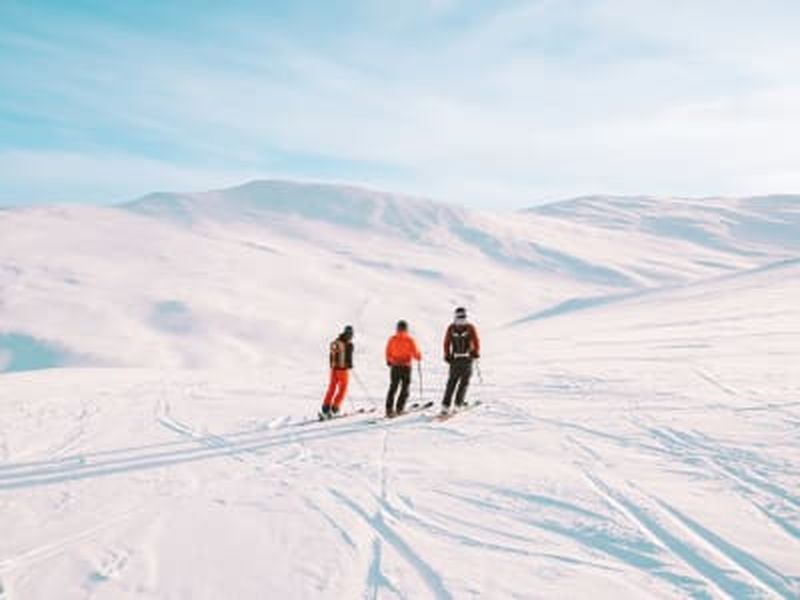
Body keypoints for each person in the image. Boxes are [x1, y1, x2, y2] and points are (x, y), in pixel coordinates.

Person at [441, 307, 480, 414]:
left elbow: (446, 343)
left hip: (455, 359)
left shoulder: (451, 327)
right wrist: (476, 352)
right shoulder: (470, 327)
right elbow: (476, 341)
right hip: (467, 359)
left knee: (451, 382)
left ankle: (445, 405)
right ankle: (458, 404)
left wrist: (447, 355)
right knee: (464, 383)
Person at [384, 320, 422, 417]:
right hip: (406, 366)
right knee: (405, 387)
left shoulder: (392, 339)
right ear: (406, 329)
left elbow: (387, 351)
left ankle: (389, 409)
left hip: (395, 366)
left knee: (393, 387)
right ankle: (399, 408)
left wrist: (389, 360)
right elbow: (415, 353)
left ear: (397, 328)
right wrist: (418, 356)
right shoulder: (409, 340)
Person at [319, 325, 354, 420]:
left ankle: (325, 407)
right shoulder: (349, 345)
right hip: (342, 370)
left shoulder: (336, 341)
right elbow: (349, 360)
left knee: (332, 388)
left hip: (333, 369)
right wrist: (350, 365)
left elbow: (331, 355)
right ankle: (335, 409)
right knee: (343, 389)